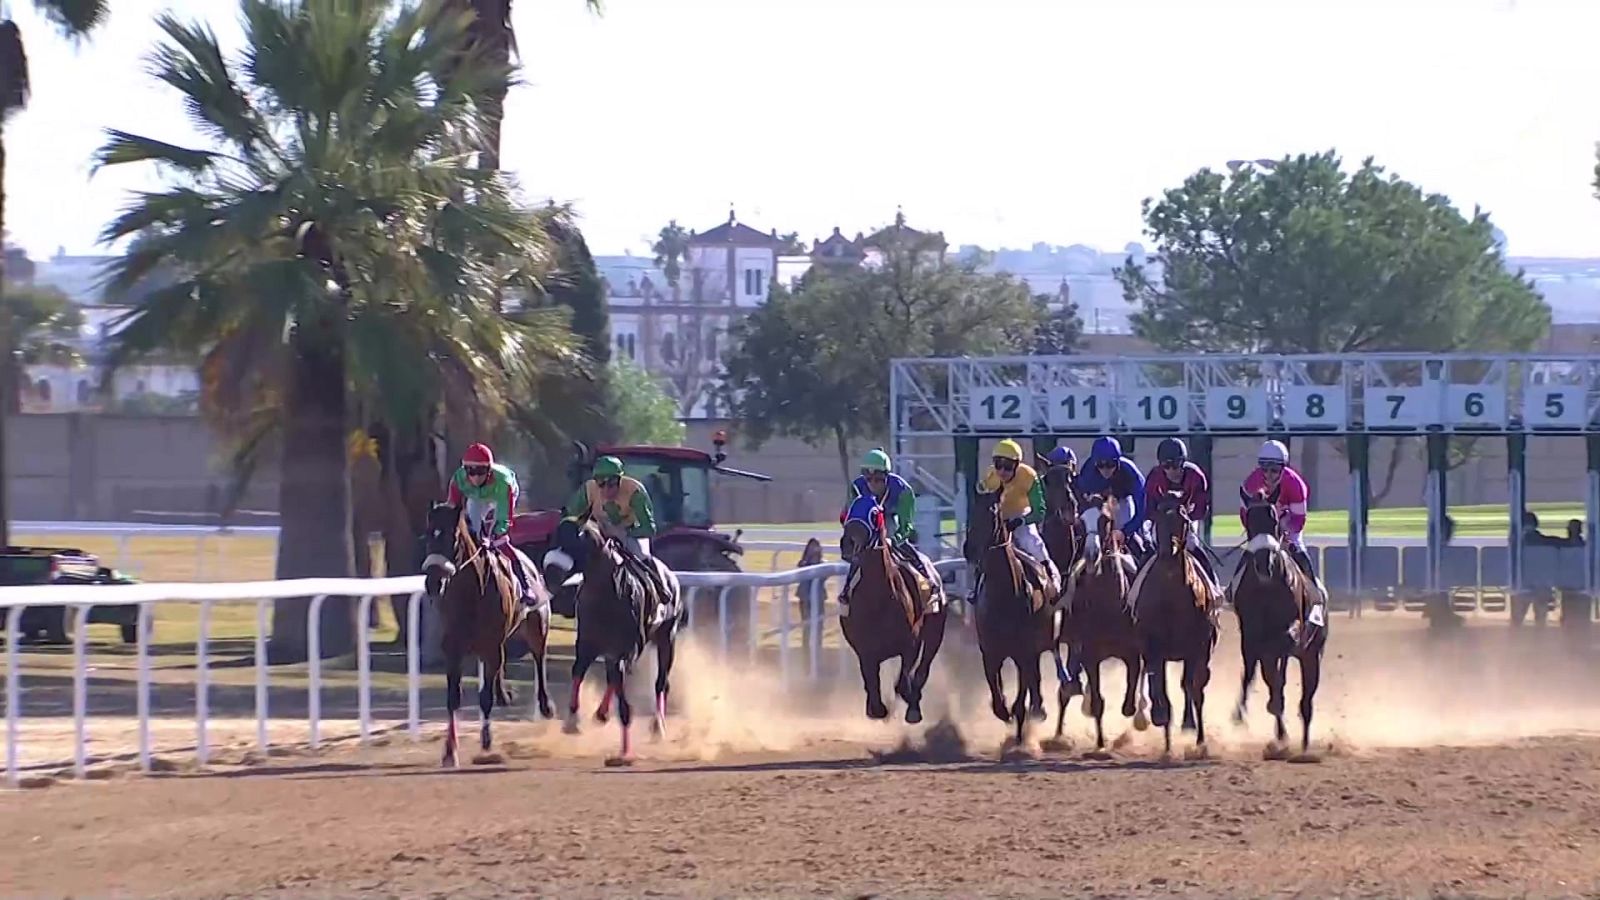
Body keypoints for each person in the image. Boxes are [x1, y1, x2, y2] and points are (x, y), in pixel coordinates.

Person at [838, 449, 943, 615]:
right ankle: (846, 590)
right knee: (859, 556)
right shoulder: (857, 488)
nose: (872, 483)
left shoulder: (903, 491)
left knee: (906, 549)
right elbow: (848, 515)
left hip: (892, 523)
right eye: (868, 478)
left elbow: (906, 526)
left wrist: (894, 540)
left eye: (878, 478)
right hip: (869, 526)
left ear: (887, 475)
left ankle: (929, 582)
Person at [563, 456, 673, 598]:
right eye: (601, 484)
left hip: (631, 532)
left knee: (642, 554)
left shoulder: (635, 491)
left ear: (620, 479)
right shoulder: (589, 488)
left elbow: (649, 528)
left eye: (612, 483)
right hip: (601, 533)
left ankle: (660, 587)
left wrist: (625, 533)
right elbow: (570, 513)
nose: (606, 489)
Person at [445, 442, 540, 606]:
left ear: (489, 470)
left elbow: (505, 519)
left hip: (501, 495)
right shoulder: (458, 479)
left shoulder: (503, 483)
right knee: (474, 533)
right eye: (470, 471)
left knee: (500, 541)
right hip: (477, 498)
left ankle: (526, 586)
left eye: (480, 471)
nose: (474, 477)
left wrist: (498, 533)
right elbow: (451, 509)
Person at [970, 438, 1059, 603]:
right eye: (998, 464)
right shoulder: (990, 477)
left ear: (1017, 465)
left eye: (1008, 466)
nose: (1002, 471)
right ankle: (976, 587)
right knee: (983, 546)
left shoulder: (1030, 476)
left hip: (1021, 516)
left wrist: (1021, 521)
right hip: (999, 519)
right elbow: (983, 504)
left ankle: (1050, 574)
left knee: (1032, 541)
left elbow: (1039, 510)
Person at [1238, 439, 1326, 605]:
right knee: (1247, 555)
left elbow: (1298, 520)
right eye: (1264, 469)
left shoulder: (1296, 485)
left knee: (1299, 552)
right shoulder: (1250, 484)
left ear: (1283, 468)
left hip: (1288, 529)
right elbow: (1245, 516)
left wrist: (1285, 534)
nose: (1269, 475)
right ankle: (1232, 590)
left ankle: (1315, 594)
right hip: (1263, 529)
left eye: (1274, 470)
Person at [1142, 437, 1221, 594]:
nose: (1172, 471)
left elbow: (1201, 508)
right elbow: (1149, 509)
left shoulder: (1196, 476)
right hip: (1163, 519)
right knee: (1151, 549)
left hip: (1187, 518)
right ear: (1161, 465)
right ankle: (1136, 593)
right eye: (1167, 465)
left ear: (1183, 462)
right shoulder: (1154, 478)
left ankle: (1214, 587)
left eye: (1176, 465)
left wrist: (1187, 516)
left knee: (1192, 545)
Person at [1074, 436, 1148, 556]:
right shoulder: (1088, 471)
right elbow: (1080, 497)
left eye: (1110, 464)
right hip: (1098, 505)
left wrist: (1125, 532)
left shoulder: (1131, 473)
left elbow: (1142, 508)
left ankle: (1141, 559)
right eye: (1100, 465)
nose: (1105, 469)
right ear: (1094, 463)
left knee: (1136, 540)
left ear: (1118, 461)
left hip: (1123, 503)